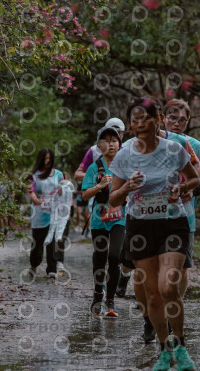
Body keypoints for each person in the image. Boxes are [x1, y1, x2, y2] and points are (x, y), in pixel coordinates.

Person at [110, 97, 200, 371]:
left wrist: (182, 189)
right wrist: (127, 188)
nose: (140, 124)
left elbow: (195, 178)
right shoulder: (124, 154)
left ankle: (181, 346)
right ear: (131, 125)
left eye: (145, 118)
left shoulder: (173, 149)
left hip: (173, 224)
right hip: (141, 227)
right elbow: (113, 199)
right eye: (135, 120)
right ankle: (164, 350)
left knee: (168, 287)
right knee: (152, 296)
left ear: (158, 118)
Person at [162, 99, 200, 298]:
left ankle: (176, 303)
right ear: (163, 118)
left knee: (182, 266)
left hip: (185, 215)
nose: (177, 123)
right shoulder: (151, 144)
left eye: (182, 120)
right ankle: (155, 301)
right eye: (172, 118)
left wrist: (193, 190)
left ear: (188, 120)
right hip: (153, 214)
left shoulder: (196, 146)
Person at [82, 126, 126, 318]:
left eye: (114, 140)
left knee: (115, 256)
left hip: (119, 218)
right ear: (99, 146)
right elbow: (85, 195)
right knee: (99, 257)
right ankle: (98, 294)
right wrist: (99, 185)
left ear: (119, 144)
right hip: (99, 219)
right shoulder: (94, 168)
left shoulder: (124, 166)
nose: (111, 144)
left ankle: (110, 299)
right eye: (106, 141)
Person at [27, 148, 65, 279]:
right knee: (37, 243)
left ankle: (51, 269)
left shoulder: (58, 174)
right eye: (45, 158)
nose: (47, 161)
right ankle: (34, 264)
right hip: (39, 214)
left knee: (52, 242)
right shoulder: (34, 175)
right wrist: (37, 200)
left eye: (49, 158)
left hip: (54, 214)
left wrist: (61, 190)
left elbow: (62, 191)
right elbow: (31, 191)